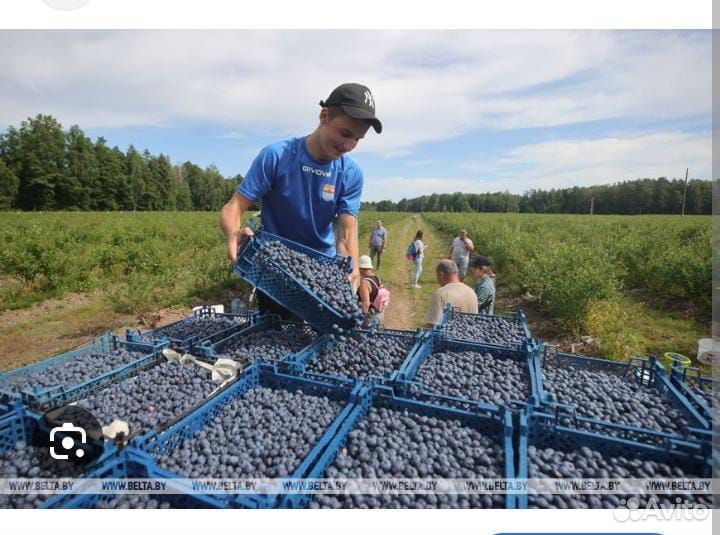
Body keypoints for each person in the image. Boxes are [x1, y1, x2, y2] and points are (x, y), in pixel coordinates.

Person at [219, 83, 382, 317]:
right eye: (345, 133)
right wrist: (233, 232)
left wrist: (353, 269)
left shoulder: (350, 174)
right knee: (276, 336)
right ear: (324, 115)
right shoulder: (278, 156)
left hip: (321, 276)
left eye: (357, 138)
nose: (348, 146)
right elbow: (233, 208)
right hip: (275, 272)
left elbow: (346, 236)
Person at [425, 259, 478, 327]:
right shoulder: (471, 292)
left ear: (441, 274)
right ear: (456, 272)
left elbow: (433, 325)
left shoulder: (440, 294)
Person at [356, 255, 386, 328]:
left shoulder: (365, 282)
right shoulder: (377, 278)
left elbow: (366, 304)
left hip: (370, 317)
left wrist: (359, 320)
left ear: (361, 269)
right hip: (379, 314)